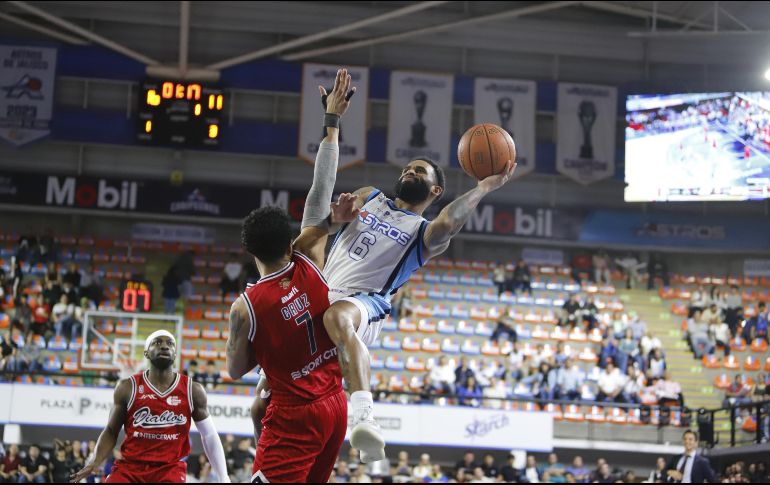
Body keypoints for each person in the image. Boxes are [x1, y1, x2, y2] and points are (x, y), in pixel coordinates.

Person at [226, 69, 359, 482]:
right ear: (289, 241)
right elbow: (322, 185)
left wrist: (269, 350)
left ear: (248, 250)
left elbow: (235, 369)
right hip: (334, 403)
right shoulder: (309, 255)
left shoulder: (245, 308)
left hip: (295, 413)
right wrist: (332, 120)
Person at [70, 330, 229, 483]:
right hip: (130, 468)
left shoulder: (192, 390)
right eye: (157, 343)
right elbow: (111, 431)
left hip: (169, 469)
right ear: (146, 353)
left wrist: (223, 477)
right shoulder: (127, 387)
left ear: (175, 354)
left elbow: (209, 435)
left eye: (170, 343)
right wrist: (95, 461)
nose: (164, 346)